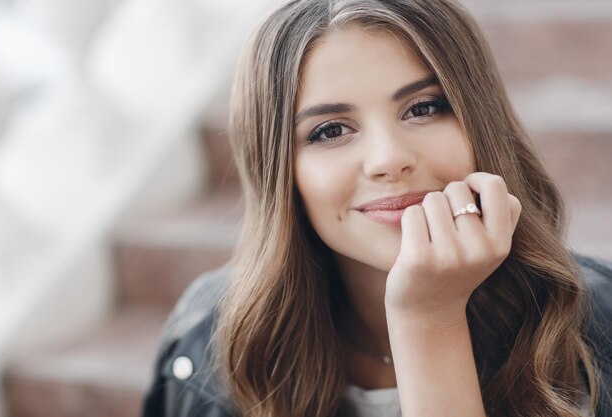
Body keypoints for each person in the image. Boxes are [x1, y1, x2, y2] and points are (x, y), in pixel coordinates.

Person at [142, 1, 612, 416]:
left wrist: (429, 320)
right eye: (330, 131)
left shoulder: (594, 324)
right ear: (281, 173)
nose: (389, 159)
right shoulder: (209, 339)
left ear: (480, 122)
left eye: (423, 108)